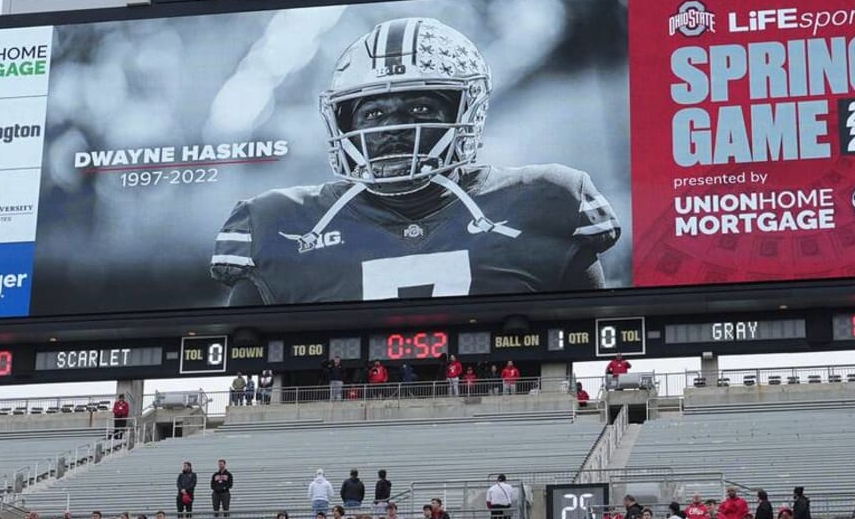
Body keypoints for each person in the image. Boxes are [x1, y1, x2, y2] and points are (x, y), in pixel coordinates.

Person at [210, 17, 622, 306]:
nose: (393, 128)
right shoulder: (275, 222)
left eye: (421, 108)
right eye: (373, 113)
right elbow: (249, 361)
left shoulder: (548, 199)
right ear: (341, 123)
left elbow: (589, 346)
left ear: (467, 114)